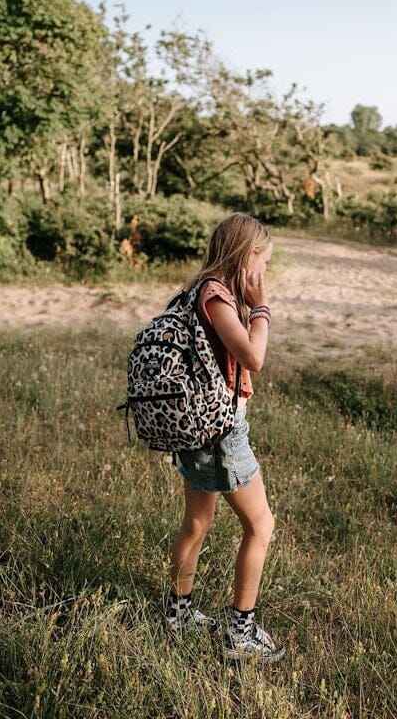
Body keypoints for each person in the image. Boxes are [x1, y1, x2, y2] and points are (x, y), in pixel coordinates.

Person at [165, 213, 285, 663]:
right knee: (261, 525)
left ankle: (178, 615)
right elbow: (253, 356)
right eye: (264, 262)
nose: (265, 272)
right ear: (246, 256)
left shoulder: (202, 290)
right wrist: (261, 304)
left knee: (198, 523)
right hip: (217, 433)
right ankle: (241, 633)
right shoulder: (216, 295)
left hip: (198, 427)